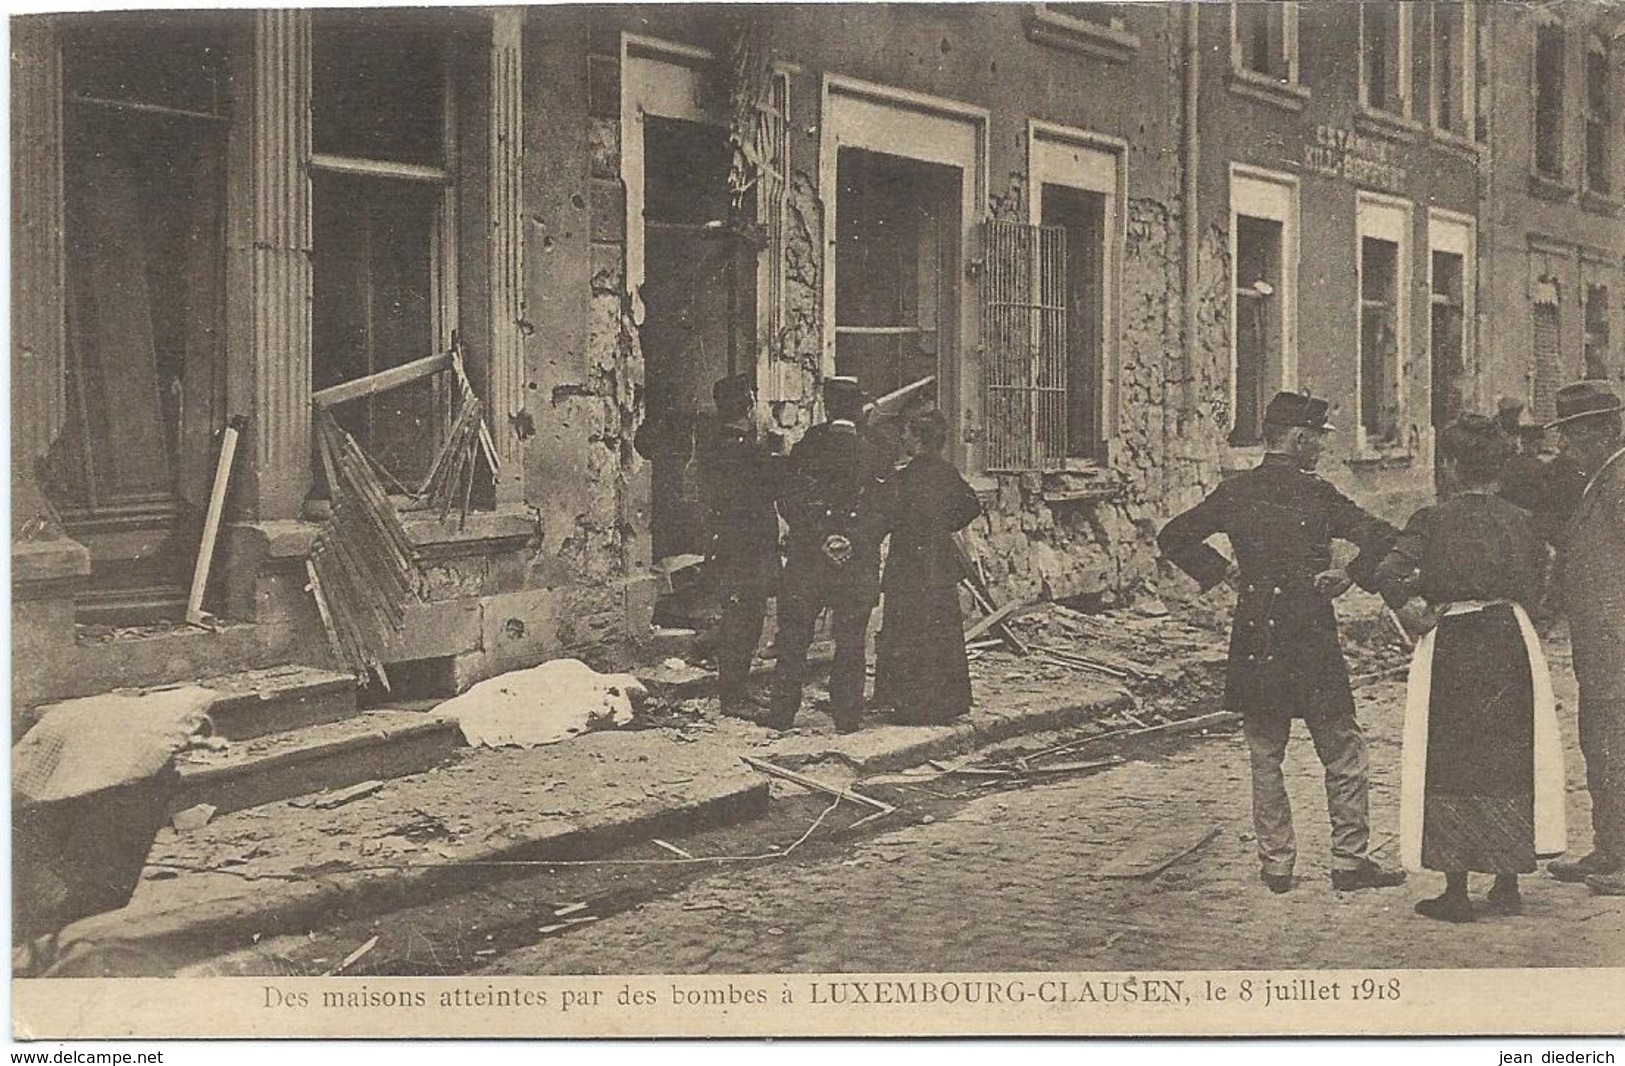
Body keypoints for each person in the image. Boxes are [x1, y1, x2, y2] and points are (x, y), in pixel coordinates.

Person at [1158, 391, 1406, 894]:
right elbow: (1384, 536)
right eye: (1316, 438)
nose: (1319, 448)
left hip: (1257, 631)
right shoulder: (1319, 496)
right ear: (1297, 439)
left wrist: (1226, 572)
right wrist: (1350, 576)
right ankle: (1350, 861)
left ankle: (1276, 866)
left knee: (1265, 751)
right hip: (1310, 630)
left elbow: (1173, 536)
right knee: (1342, 748)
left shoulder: (1236, 492)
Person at [1375, 414, 1566, 922]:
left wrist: (1412, 607)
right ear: (1500, 467)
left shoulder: (1431, 520)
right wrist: (1534, 615)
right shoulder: (1523, 519)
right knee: (1507, 752)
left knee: (1452, 756)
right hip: (1510, 636)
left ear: (1452, 466)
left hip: (1455, 640)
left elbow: (1387, 572)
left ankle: (1456, 890)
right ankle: (1506, 883)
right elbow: (1547, 576)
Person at [768, 376, 887, 733]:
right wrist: (853, 539)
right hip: (857, 561)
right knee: (851, 641)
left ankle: (781, 715)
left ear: (828, 406)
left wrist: (819, 536)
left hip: (809, 559)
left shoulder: (808, 445)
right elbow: (886, 507)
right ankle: (847, 718)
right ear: (857, 408)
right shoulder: (877, 447)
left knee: (794, 637)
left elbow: (788, 499)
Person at [1543, 381, 1625, 893]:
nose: (1566, 446)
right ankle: (1609, 850)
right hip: (1601, 646)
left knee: (1616, 743)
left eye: (1574, 434)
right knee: (1601, 742)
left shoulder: (1621, 481)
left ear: (1604, 430)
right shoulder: (1604, 476)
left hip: (1617, 644)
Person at [871, 409, 982, 725]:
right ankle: (946, 702)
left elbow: (886, 515)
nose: (903, 437)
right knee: (939, 630)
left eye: (907, 432)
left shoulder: (904, 477)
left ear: (918, 438)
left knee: (906, 630)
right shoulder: (947, 473)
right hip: (938, 562)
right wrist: (943, 525)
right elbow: (971, 505)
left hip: (907, 562)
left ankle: (908, 704)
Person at [702, 373, 784, 721]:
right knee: (744, 619)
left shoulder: (716, 446)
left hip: (733, 546)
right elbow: (772, 489)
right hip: (748, 550)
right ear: (748, 407)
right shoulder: (746, 452)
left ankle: (735, 688)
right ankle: (733, 694)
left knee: (741, 616)